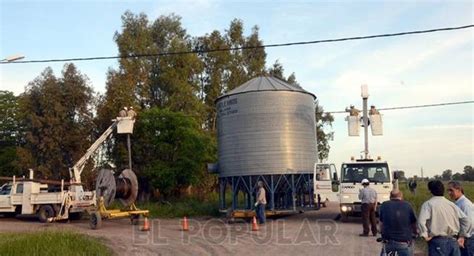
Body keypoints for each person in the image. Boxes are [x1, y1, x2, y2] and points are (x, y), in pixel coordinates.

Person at [418, 180, 470, 256]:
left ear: (430, 191)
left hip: (438, 242)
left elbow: (421, 221)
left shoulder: (428, 204)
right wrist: (462, 235)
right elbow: (466, 220)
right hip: (453, 241)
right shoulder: (451, 204)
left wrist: (424, 235)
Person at [379, 189, 418, 256]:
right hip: (404, 242)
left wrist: (381, 231)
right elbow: (413, 223)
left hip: (388, 241)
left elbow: (381, 223)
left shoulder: (384, 205)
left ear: (390, 196)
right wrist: (415, 232)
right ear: (401, 196)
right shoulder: (408, 205)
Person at [448, 181, 474, 256]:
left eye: (451, 190)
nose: (449, 193)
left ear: (459, 190)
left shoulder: (465, 204)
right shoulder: (458, 203)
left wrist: (462, 237)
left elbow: (470, 222)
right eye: (448, 191)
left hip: (467, 239)